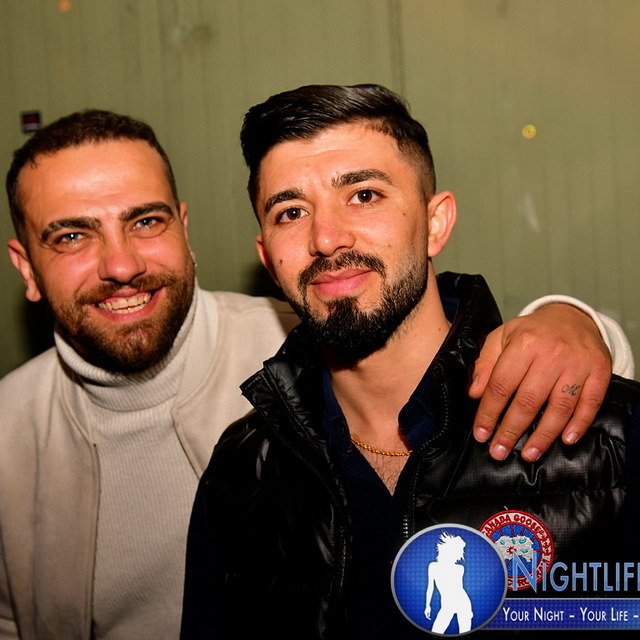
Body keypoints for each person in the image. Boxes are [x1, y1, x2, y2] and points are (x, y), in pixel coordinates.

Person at [0, 109, 628, 639]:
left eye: (145, 221)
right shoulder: (15, 436)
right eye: (71, 236)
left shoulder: (298, 326)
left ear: (183, 230)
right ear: (25, 267)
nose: (120, 264)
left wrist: (576, 321)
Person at [180, 84, 640, 639]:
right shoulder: (241, 472)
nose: (326, 238)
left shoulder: (607, 438)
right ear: (268, 258)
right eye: (291, 212)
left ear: (435, 224)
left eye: (364, 195)